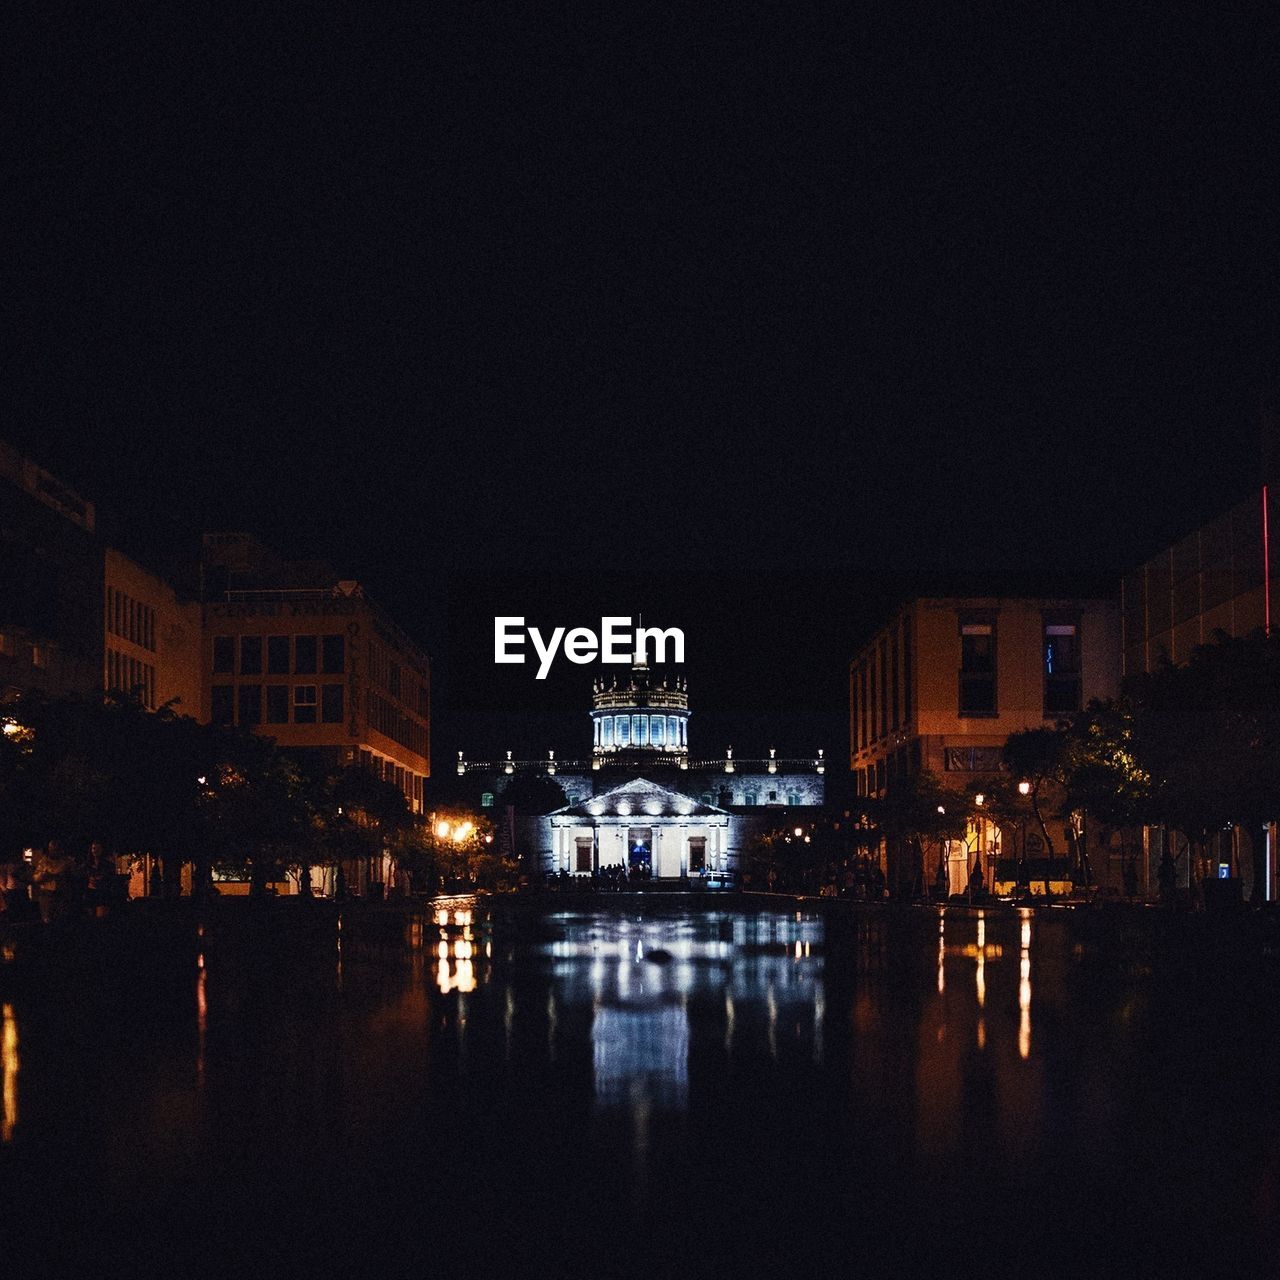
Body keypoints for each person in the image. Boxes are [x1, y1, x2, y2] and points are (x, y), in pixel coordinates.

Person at [33, 840, 72, 923]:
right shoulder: (43, 862)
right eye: (52, 848)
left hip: (61, 894)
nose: (54, 851)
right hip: (47, 895)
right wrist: (43, 875)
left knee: (61, 920)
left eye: (56, 849)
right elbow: (36, 878)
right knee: (47, 920)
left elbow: (73, 877)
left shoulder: (66, 862)